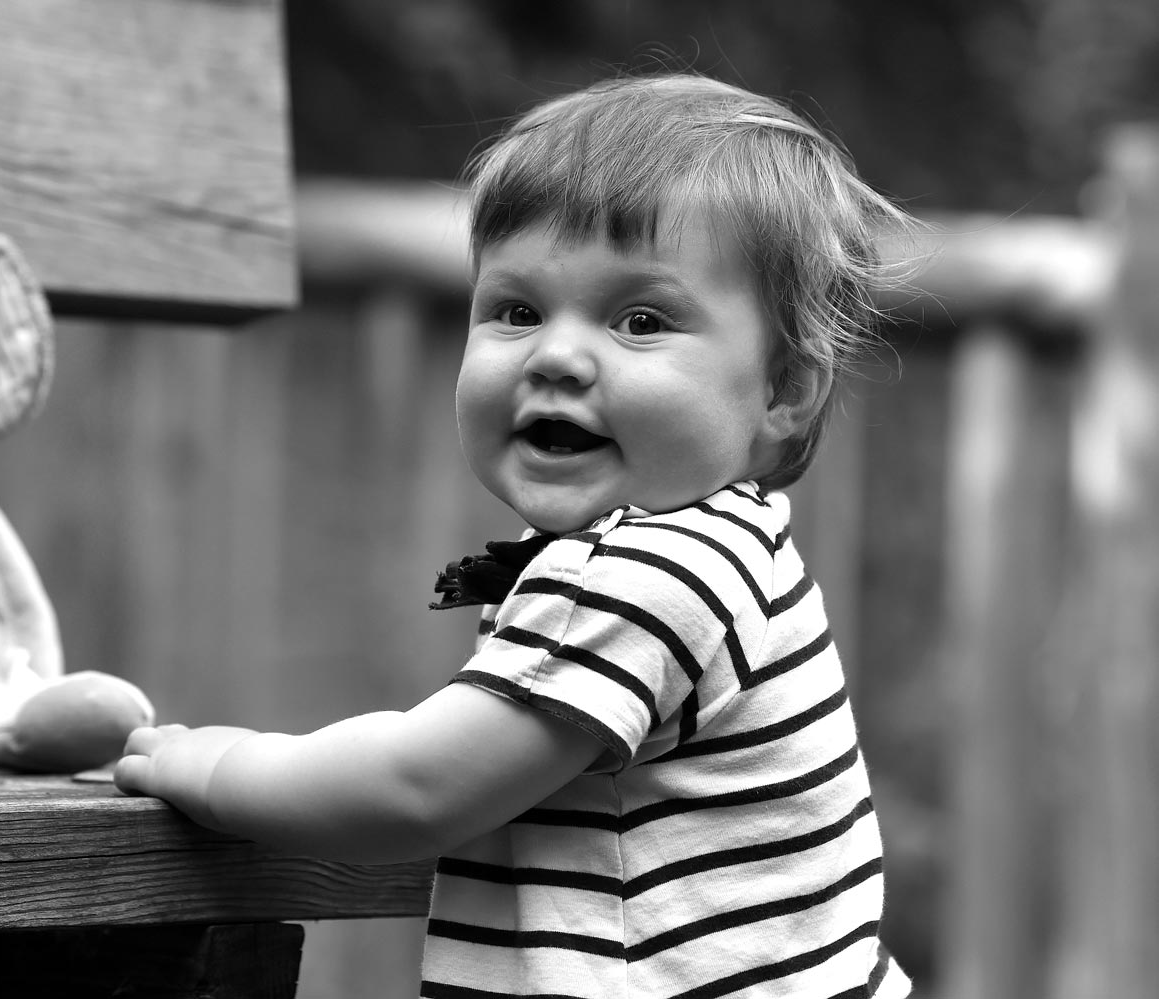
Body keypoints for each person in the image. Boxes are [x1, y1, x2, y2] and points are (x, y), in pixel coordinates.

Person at [115, 72, 917, 998]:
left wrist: (217, 764)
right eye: (517, 310)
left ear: (782, 391)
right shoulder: (719, 548)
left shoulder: (653, 570)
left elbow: (417, 788)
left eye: (640, 320)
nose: (557, 354)